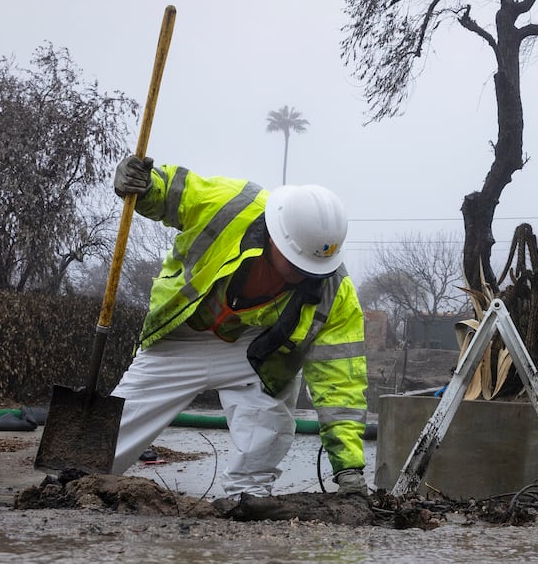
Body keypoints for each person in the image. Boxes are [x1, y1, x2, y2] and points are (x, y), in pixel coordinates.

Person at [107, 154, 369, 497]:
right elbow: (176, 193)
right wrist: (145, 185)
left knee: (270, 422)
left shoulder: (335, 291)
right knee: (113, 432)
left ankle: (248, 496)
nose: (305, 275)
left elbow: (341, 380)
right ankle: (76, 477)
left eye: (313, 268)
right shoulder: (232, 204)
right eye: (297, 264)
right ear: (275, 237)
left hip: (255, 352)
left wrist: (349, 466)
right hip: (182, 338)